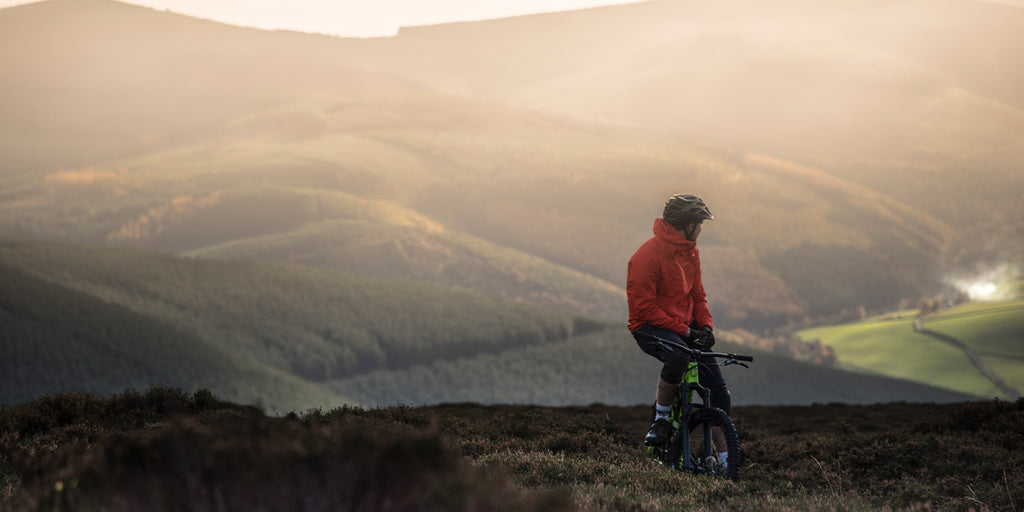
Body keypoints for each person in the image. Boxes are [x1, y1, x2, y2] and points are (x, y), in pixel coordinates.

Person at [626, 194, 731, 464]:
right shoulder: (647, 254)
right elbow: (643, 308)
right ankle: (661, 421)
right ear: (687, 225)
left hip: (684, 327)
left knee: (719, 393)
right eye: (699, 224)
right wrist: (685, 332)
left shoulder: (690, 251)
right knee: (679, 355)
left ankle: (724, 462)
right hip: (649, 326)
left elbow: (698, 295)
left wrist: (705, 326)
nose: (701, 229)